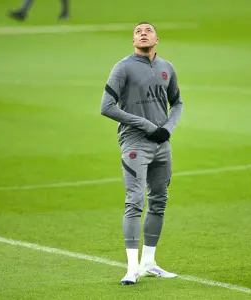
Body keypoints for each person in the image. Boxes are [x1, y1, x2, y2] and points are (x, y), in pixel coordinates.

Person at [100, 22, 184, 285]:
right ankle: (132, 268)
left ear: (157, 39)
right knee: (135, 201)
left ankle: (149, 263)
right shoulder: (123, 67)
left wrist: (168, 128)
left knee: (159, 200)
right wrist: (148, 126)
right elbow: (106, 107)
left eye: (148, 31)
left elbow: (178, 103)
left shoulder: (166, 68)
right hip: (135, 143)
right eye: (138, 32)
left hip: (162, 145)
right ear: (132, 41)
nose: (143, 33)